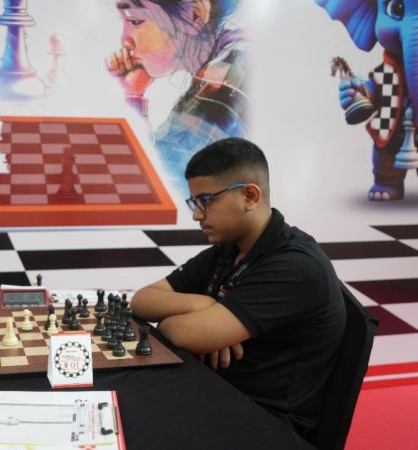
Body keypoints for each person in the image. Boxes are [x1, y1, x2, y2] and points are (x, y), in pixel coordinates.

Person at [130, 137, 346, 439]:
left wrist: (189, 323)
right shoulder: (229, 249)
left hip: (265, 423)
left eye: (206, 200)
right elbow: (141, 300)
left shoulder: (296, 266)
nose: (197, 215)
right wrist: (205, 306)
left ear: (250, 196)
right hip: (217, 389)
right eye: (194, 202)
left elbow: (180, 333)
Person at [107, 0, 248, 193]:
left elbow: (155, 182)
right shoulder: (230, 58)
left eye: (135, 21)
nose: (124, 40)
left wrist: (133, 97)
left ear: (195, 14)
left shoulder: (222, 84)